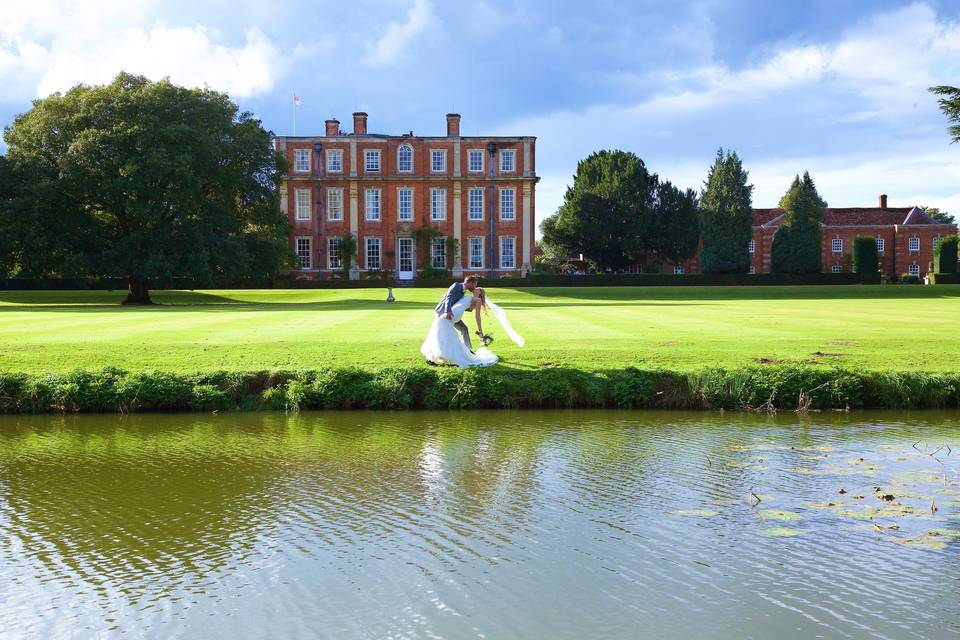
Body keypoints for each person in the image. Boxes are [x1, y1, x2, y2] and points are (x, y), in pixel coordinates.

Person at [422, 285, 498, 367]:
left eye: (479, 289)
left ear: (480, 293)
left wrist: (480, 331)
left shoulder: (477, 300)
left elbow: (477, 317)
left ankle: (451, 355)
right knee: (443, 337)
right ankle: (434, 357)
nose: (476, 288)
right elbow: (453, 300)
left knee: (449, 336)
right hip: (448, 316)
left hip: (452, 318)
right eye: (476, 288)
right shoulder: (466, 296)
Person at [434, 275, 479, 351]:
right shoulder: (456, 285)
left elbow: (459, 306)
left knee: (464, 329)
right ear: (470, 283)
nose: (475, 287)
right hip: (442, 313)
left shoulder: (463, 293)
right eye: (475, 285)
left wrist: (472, 307)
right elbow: (449, 297)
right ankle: (434, 354)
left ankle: (468, 350)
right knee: (440, 334)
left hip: (452, 315)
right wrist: (447, 311)